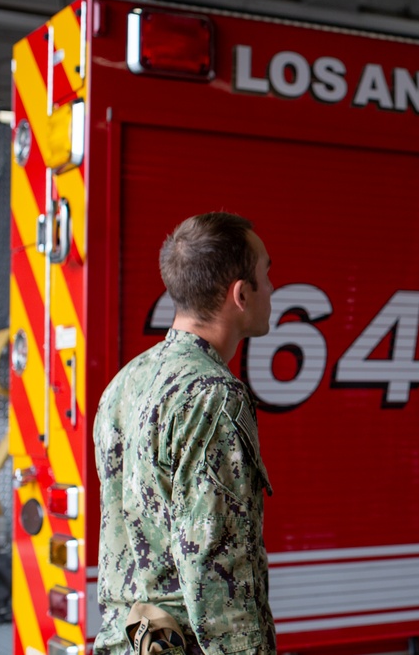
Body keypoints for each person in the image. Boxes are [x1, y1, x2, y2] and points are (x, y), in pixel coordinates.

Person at [93, 212, 276, 655]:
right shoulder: (214, 397)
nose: (272, 289)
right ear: (240, 294)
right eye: (266, 274)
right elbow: (218, 573)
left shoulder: (125, 382)